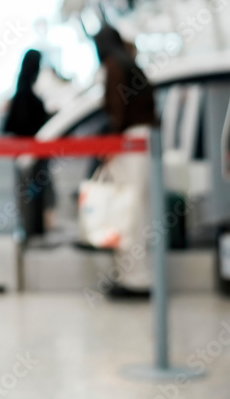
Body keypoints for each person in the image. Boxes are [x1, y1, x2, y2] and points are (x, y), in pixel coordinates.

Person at [95, 25, 157, 299]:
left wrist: (110, 144)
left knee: (128, 212)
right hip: (143, 141)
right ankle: (137, 276)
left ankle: (135, 279)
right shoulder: (130, 62)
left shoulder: (114, 65)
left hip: (130, 143)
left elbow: (117, 111)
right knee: (138, 210)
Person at [3, 49, 54, 238]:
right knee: (32, 197)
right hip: (29, 156)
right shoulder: (27, 96)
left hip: (26, 155)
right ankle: (34, 232)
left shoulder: (22, 93)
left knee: (30, 197)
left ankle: (34, 230)